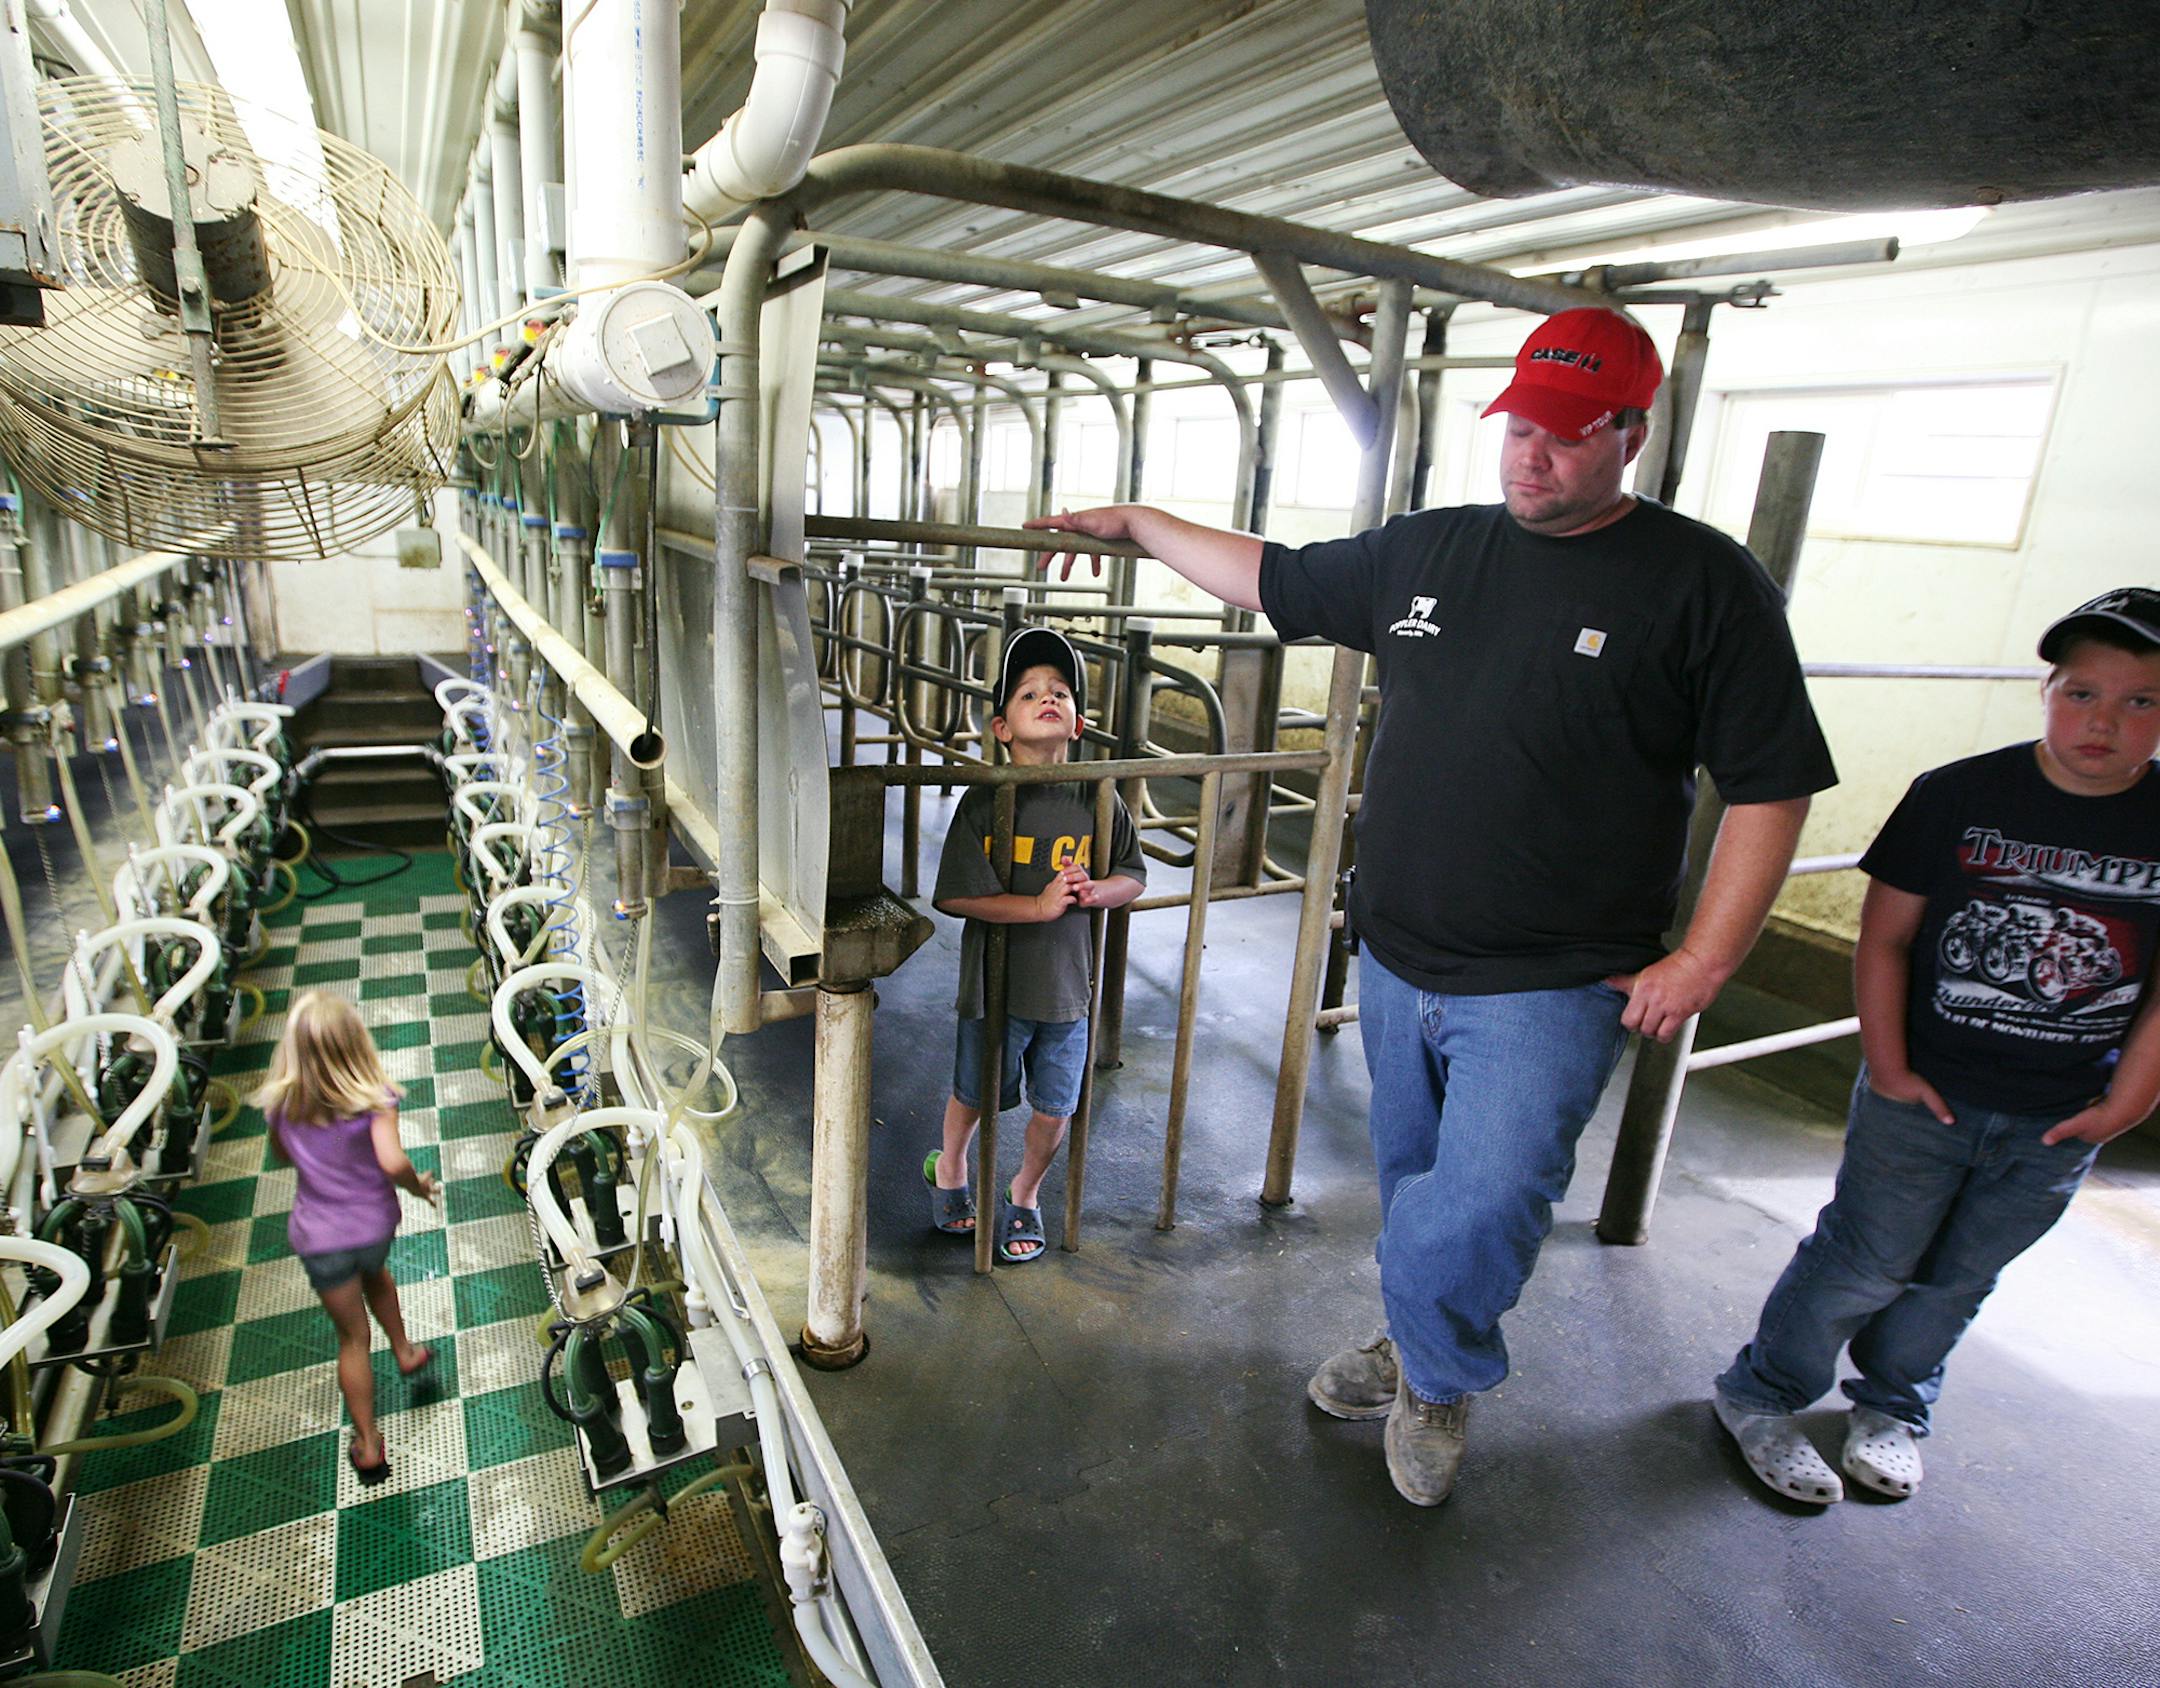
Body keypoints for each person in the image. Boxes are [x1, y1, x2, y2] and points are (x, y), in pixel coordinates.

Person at [1026, 306, 1836, 1504]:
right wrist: (1142, 523)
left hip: (1558, 974)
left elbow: (1772, 784)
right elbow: (1272, 575)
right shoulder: (1432, 549)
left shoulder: (1703, 582)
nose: (1531, 455)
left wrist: (1707, 958)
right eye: (1518, 427)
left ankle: (1441, 1375)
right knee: (1413, 1178)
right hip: (1400, 951)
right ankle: (1417, 1336)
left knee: (1489, 1196)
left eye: (1567, 435)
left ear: (1631, 431)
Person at [1713, 587, 2160, 1503]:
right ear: (2047, 690)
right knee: (1865, 1258)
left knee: (1962, 1275)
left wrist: (2130, 1102)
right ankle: (1763, 1393)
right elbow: (1886, 939)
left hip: (2062, 1110)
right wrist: (1889, 1065)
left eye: (2140, 701)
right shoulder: (1958, 795)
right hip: (1927, 1092)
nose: (2103, 722)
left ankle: (1894, 1405)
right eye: (2082, 693)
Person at [926, 627, 1147, 1262]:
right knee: (974, 1092)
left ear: (1077, 723)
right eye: (1028, 693)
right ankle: (952, 1168)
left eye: (1059, 692)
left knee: (1056, 1107)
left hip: (1067, 989)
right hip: (994, 986)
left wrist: (1100, 892)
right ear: (1002, 727)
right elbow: (954, 895)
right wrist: (1039, 905)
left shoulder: (1099, 796)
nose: (1047, 698)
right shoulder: (984, 799)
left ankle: (1025, 1192)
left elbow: (1132, 873)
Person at [253, 989, 439, 1484]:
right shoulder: (376, 1100)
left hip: (319, 1238)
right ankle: (404, 1350)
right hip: (374, 1227)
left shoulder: (282, 1107)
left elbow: (283, 1156)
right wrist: (416, 1186)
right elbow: (392, 1161)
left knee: (352, 1339)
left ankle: (370, 1445)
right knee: (376, 1274)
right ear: (357, 1044)